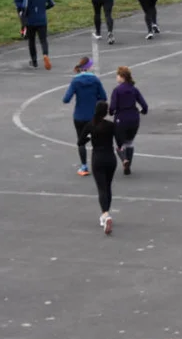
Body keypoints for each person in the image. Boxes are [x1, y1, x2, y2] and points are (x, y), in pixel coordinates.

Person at [63, 56, 107, 177]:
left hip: (79, 116)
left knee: (81, 141)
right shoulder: (95, 80)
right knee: (96, 141)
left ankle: (84, 166)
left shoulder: (75, 81)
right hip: (93, 116)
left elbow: (66, 99)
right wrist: (94, 99)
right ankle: (97, 165)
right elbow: (103, 97)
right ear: (89, 67)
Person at [83, 100, 117, 234]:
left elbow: (80, 141)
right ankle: (106, 214)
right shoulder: (111, 125)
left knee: (101, 188)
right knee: (108, 187)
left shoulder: (90, 125)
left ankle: (105, 214)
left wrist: (89, 138)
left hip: (97, 158)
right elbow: (119, 140)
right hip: (110, 158)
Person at [109, 66, 148, 175]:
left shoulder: (117, 90)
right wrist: (143, 111)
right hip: (134, 118)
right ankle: (128, 166)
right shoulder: (134, 89)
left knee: (120, 144)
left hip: (121, 119)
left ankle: (124, 160)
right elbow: (144, 105)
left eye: (117, 75)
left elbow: (113, 106)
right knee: (129, 142)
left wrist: (111, 112)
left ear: (122, 77)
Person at [22, 0, 54, 70]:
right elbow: (52, 3)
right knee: (43, 40)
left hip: (31, 21)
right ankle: (45, 54)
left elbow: (25, 7)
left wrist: (24, 16)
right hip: (42, 19)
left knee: (31, 41)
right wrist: (44, 8)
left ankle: (34, 61)